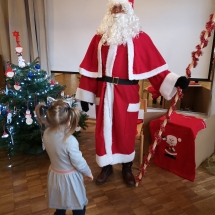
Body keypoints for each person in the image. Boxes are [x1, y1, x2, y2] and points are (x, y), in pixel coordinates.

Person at [75, 0, 189, 187]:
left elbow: (156, 69)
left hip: (128, 93)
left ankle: (127, 168)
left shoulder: (140, 38)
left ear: (129, 11)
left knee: (126, 130)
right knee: (103, 131)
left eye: (121, 7)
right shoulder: (99, 38)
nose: (117, 11)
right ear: (109, 10)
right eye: (114, 7)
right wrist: (86, 94)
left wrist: (175, 81)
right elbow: (91, 68)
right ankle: (106, 167)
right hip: (105, 92)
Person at [35, 100, 93, 215]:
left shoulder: (46, 133)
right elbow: (79, 162)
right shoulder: (70, 141)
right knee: (79, 204)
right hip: (70, 179)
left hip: (55, 175)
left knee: (60, 203)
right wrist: (88, 173)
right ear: (68, 121)